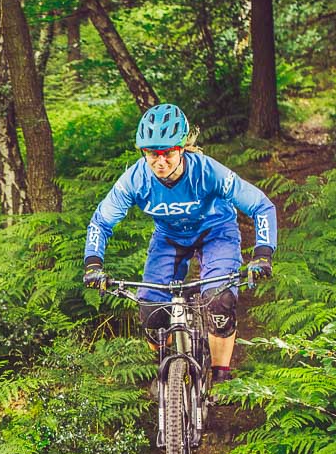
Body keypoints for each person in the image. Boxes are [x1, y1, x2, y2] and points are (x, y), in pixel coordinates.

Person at [82, 103, 276, 386]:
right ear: (143, 152)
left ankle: (221, 376)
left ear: (182, 148)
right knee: (151, 312)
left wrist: (262, 254)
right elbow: (101, 222)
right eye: (152, 154)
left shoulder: (208, 171)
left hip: (216, 232)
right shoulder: (135, 180)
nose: (160, 162)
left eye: (168, 153)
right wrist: (93, 263)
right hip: (169, 237)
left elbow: (261, 206)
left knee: (220, 303)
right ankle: (164, 372)